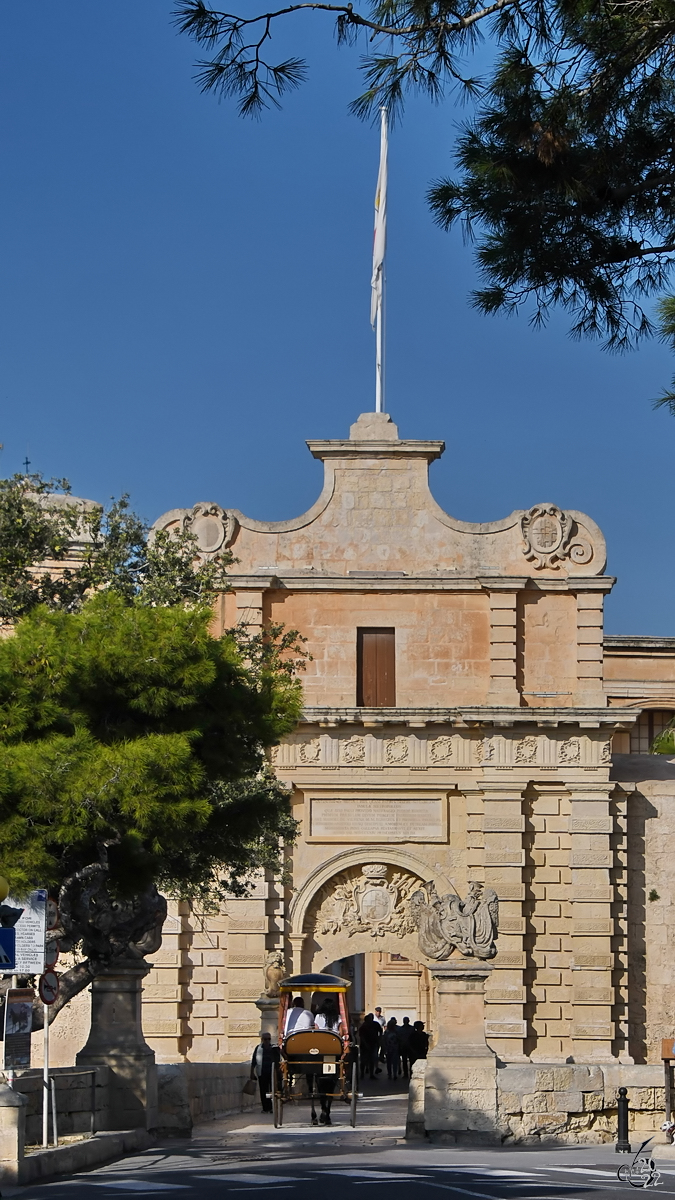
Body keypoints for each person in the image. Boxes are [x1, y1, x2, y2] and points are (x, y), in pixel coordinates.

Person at [314, 999, 341, 1124]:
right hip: (333, 1049)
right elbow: (341, 1032)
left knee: (320, 1082)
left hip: (321, 1049)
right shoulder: (338, 1017)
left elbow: (316, 1030)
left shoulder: (318, 1016)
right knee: (331, 1081)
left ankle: (323, 1107)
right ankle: (327, 1110)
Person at [250, 1032, 279, 1113]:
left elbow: (278, 1060)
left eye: (269, 1039)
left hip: (272, 1073)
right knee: (263, 1091)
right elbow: (254, 1061)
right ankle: (266, 1108)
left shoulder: (273, 1048)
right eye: (265, 1039)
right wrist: (252, 1073)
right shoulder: (258, 1048)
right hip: (262, 1072)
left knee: (272, 1091)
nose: (267, 1041)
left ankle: (272, 1107)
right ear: (262, 1040)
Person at [358, 1012, 381, 1080]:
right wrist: (366, 1044)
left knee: (372, 1060)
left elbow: (380, 1031)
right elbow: (361, 1037)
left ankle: (371, 1074)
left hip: (373, 1044)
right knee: (363, 1060)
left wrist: (379, 1039)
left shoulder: (375, 1024)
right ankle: (362, 1073)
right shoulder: (363, 1027)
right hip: (365, 1046)